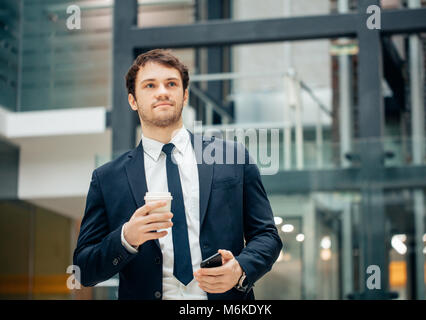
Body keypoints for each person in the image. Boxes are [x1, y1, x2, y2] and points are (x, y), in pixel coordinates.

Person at [73, 49, 282, 300]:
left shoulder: (233, 157)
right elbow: (83, 269)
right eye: (150, 85)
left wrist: (240, 268)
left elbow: (267, 236)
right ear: (132, 100)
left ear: (184, 95)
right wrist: (126, 238)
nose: (162, 91)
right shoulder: (107, 179)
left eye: (171, 84)